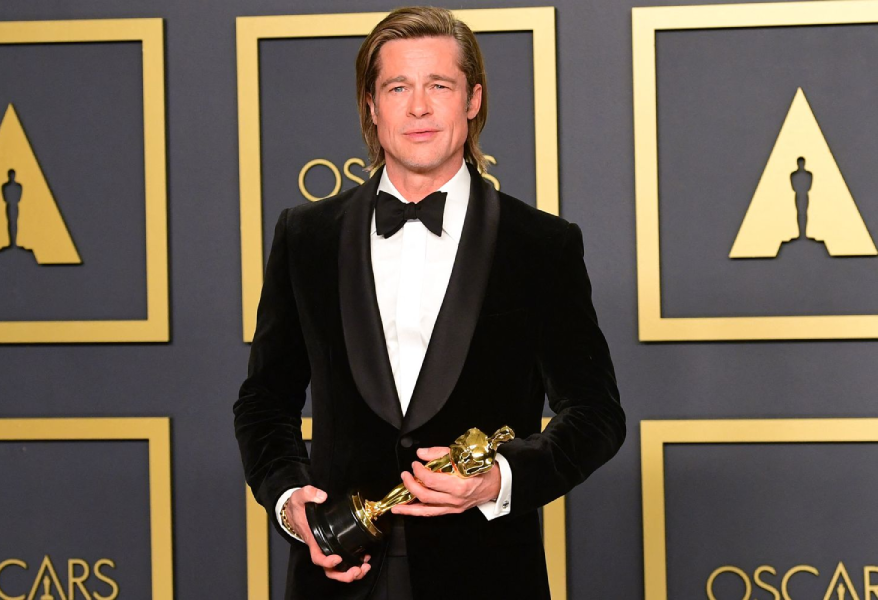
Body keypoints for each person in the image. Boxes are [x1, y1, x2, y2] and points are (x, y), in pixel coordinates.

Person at [234, 7, 625, 600]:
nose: (418, 107)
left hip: (489, 577)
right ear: (372, 105)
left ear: (472, 100)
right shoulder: (304, 237)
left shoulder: (543, 246)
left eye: (438, 86)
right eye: (398, 87)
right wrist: (294, 508)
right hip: (340, 581)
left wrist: (498, 480)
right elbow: (264, 403)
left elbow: (596, 416)